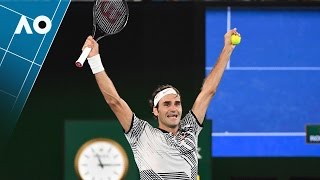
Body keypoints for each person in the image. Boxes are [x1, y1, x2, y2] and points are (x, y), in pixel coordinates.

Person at [81, 28, 240, 180]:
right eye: (167, 104)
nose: (173, 108)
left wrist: (228, 48)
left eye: (177, 103)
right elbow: (115, 102)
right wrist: (94, 60)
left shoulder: (190, 129)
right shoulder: (141, 134)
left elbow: (208, 91)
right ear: (155, 111)